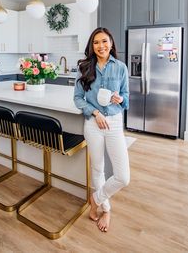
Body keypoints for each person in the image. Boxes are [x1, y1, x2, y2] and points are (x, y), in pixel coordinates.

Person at [74, 27, 130, 232]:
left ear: (111, 43)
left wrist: (121, 99)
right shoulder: (84, 68)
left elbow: (126, 98)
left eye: (104, 41)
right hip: (93, 124)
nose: (101, 46)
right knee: (98, 169)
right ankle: (106, 209)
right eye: (96, 42)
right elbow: (78, 99)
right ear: (92, 46)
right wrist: (95, 113)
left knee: (123, 176)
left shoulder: (121, 68)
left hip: (114, 123)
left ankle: (95, 199)